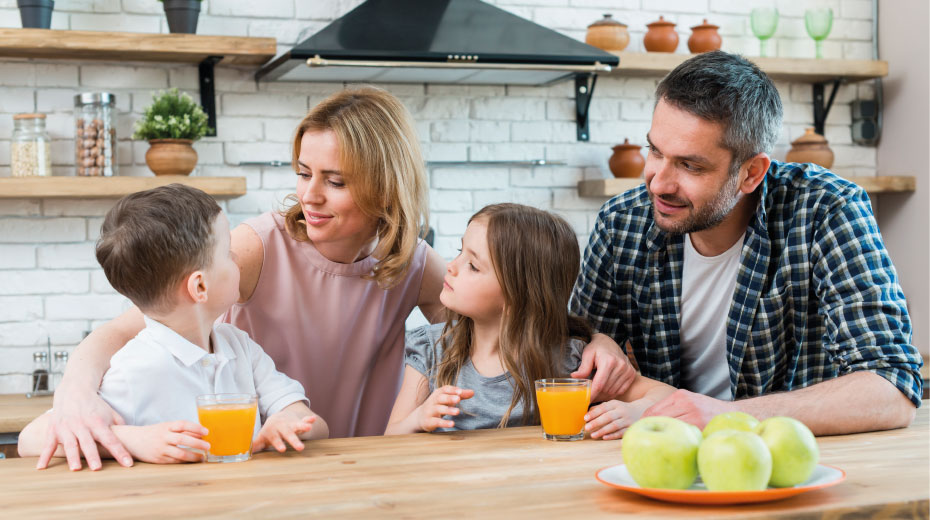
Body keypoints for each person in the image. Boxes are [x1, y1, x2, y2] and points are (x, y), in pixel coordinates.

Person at [42, 87, 629, 470]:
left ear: (383, 186)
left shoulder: (409, 263)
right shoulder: (255, 247)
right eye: (303, 173)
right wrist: (74, 397)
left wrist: (589, 341)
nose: (311, 196)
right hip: (262, 464)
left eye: (336, 181)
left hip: (360, 464)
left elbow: (505, 313)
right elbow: (129, 330)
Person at [571, 50, 923, 436]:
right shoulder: (622, 223)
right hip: (659, 455)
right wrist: (597, 341)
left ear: (751, 173)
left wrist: (726, 417)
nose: (658, 183)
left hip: (790, 463)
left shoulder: (826, 210)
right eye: (655, 151)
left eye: (690, 165)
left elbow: (892, 386)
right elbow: (577, 355)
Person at [19, 185, 328, 468]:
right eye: (227, 253)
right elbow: (29, 439)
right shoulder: (135, 369)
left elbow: (312, 422)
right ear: (200, 287)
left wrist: (289, 423)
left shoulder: (240, 346)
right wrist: (131, 440)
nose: (237, 258)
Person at [385, 203, 674, 438]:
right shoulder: (431, 348)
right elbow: (389, 439)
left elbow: (666, 395)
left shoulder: (570, 363)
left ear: (515, 297)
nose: (451, 265)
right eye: (461, 251)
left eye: (473, 265)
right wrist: (418, 419)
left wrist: (638, 412)